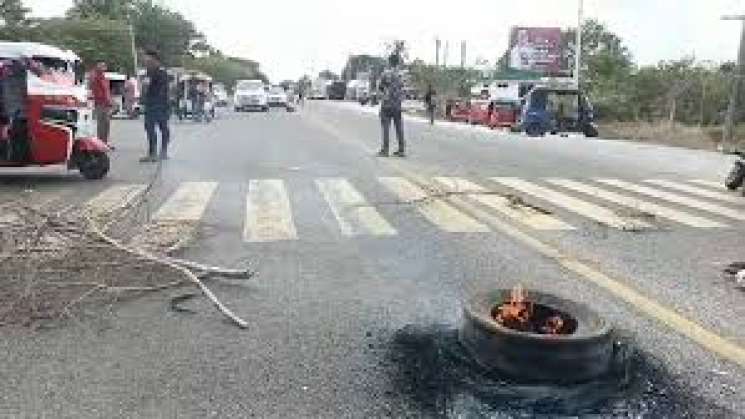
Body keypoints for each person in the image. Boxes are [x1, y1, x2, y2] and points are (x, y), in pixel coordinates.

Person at [140, 49, 171, 162]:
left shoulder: (161, 72)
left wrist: (159, 103)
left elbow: (163, 90)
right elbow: (146, 87)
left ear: (154, 59)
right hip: (150, 104)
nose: (144, 60)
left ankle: (163, 151)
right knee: (149, 128)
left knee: (163, 128)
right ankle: (152, 152)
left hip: (160, 104)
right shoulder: (148, 72)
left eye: (146, 57)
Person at [377, 53, 405, 157]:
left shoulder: (385, 74)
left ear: (389, 62)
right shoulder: (400, 75)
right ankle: (401, 150)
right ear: (398, 62)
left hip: (387, 104)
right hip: (397, 105)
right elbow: (403, 89)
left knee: (385, 128)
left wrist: (383, 96)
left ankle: (385, 150)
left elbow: (380, 88)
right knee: (399, 128)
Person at [90, 60, 113, 146]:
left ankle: (105, 142)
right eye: (101, 65)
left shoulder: (103, 77)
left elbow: (106, 90)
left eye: (104, 65)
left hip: (106, 103)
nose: (103, 67)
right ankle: (100, 142)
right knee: (101, 124)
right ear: (97, 66)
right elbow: (97, 91)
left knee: (106, 124)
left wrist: (110, 101)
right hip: (100, 103)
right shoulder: (95, 77)